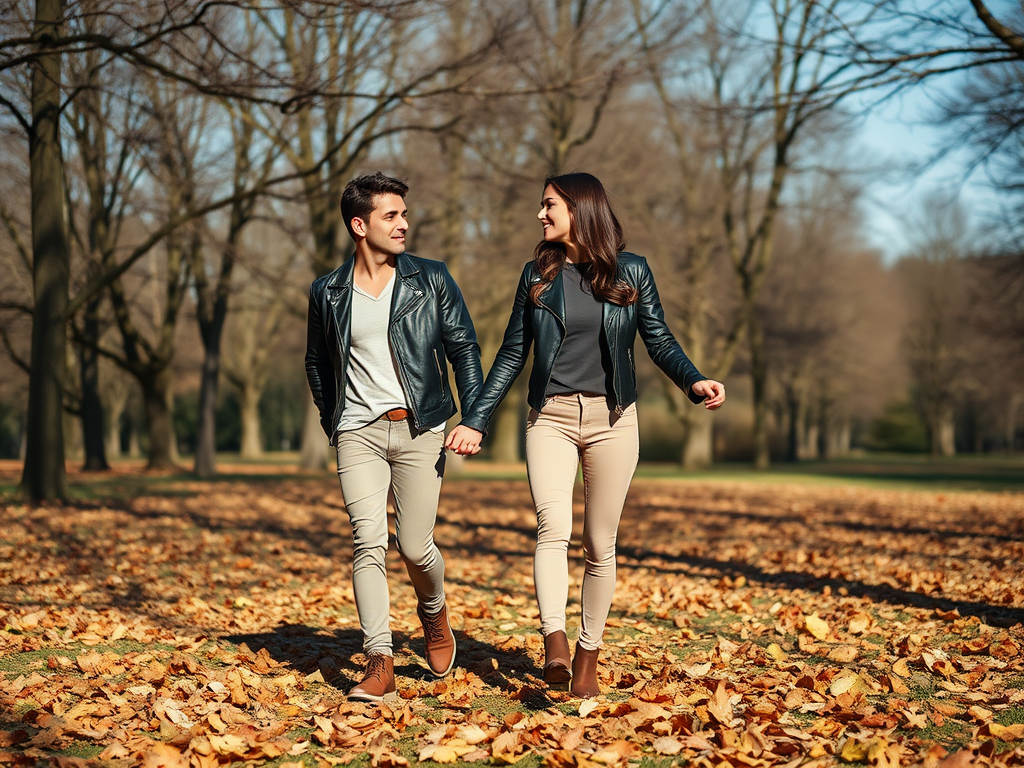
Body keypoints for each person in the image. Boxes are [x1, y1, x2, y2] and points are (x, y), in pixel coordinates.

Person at [446, 172, 725, 698]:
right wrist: (475, 418)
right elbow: (511, 353)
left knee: (601, 544)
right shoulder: (536, 275)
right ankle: (553, 637)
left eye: (549, 205)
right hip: (548, 417)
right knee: (552, 530)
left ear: (580, 208)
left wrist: (694, 380)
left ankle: (587, 654)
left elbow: (658, 338)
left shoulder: (632, 272)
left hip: (613, 421)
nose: (541, 214)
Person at [305, 172, 483, 703]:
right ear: (360, 226)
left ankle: (433, 613)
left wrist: (473, 417)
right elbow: (317, 363)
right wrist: (333, 421)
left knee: (414, 545)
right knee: (366, 539)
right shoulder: (329, 292)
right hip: (357, 430)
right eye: (391, 215)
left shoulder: (430, 279)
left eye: (404, 214)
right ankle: (379, 658)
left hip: (421, 427)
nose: (403, 224)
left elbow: (465, 350)